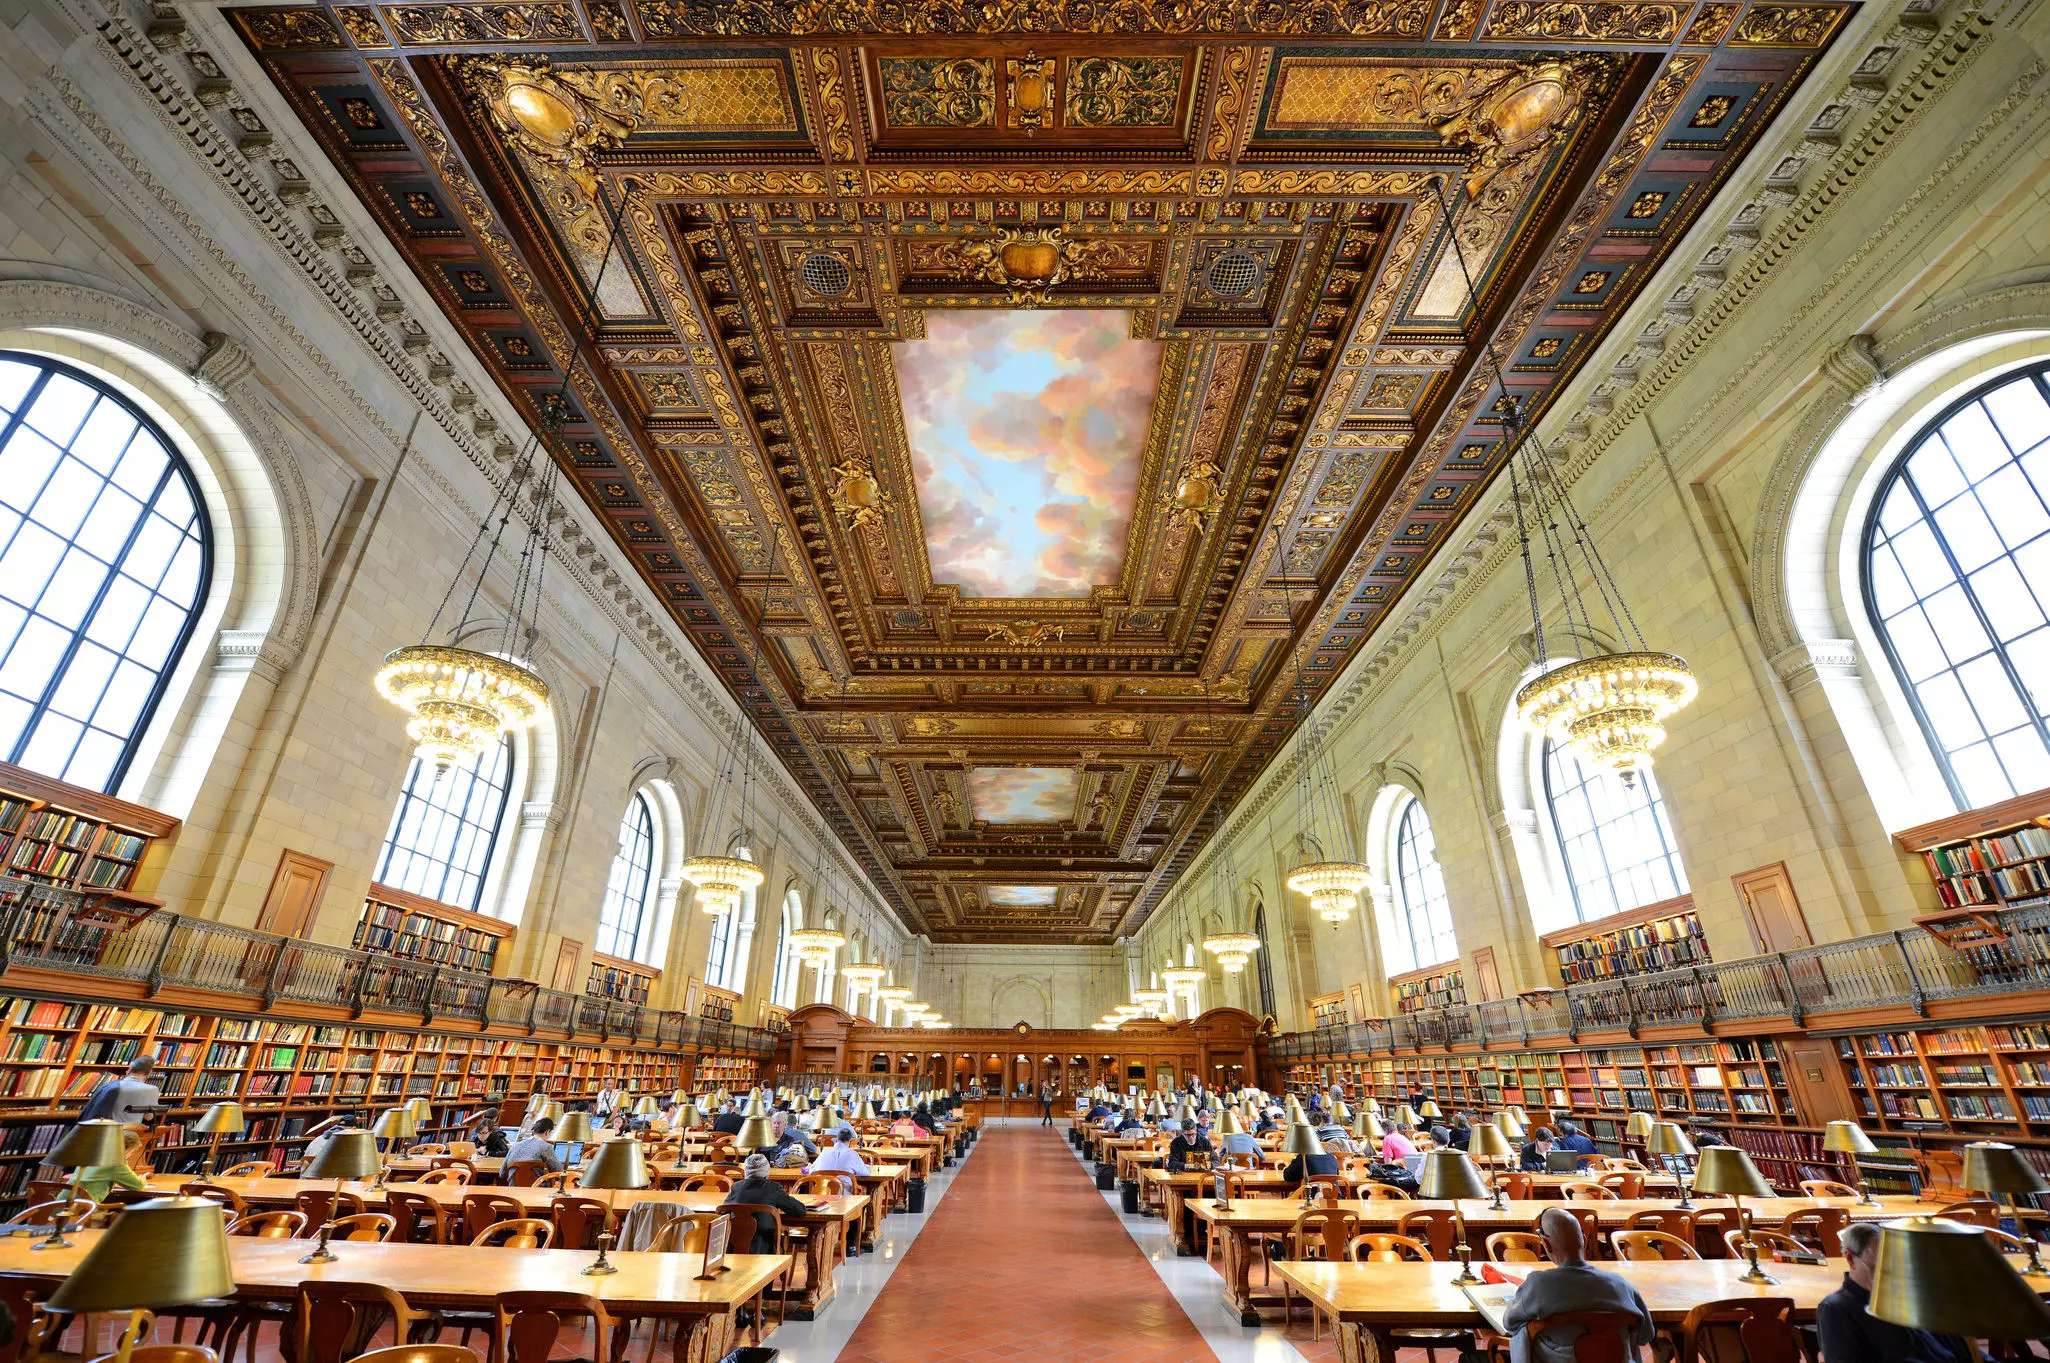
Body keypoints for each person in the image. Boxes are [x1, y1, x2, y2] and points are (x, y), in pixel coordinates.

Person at [1503, 1208, 1655, 1363]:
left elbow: (1510, 1323)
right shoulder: (1621, 1286)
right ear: (1584, 1239)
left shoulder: (1538, 1285)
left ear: (1546, 1244)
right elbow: (1646, 1334)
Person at [1817, 1221, 1973, 1363]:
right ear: (1851, 1258)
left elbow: (1960, 1346)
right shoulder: (1836, 1310)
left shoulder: (1909, 1295)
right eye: (1877, 1266)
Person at [722, 1152, 810, 1256]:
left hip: (733, 1247)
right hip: (765, 1249)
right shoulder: (773, 1188)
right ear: (767, 1171)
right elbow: (799, 1210)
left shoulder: (736, 1187)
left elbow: (723, 1211)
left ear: (746, 1171)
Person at [76, 1124, 150, 1201]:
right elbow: (137, 1185)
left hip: (65, 1203)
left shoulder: (94, 1154)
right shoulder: (116, 1162)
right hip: (82, 1209)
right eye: (132, 1152)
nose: (131, 1155)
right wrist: (143, 1177)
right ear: (126, 1150)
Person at [78, 1058, 161, 1124]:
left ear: (130, 1068)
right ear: (149, 1073)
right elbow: (149, 1117)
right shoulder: (152, 1089)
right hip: (129, 1136)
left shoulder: (109, 1086)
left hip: (103, 1133)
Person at [806, 1125, 871, 1190]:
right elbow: (865, 1172)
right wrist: (868, 1166)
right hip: (844, 1196)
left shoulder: (824, 1152)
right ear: (850, 1141)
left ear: (836, 1140)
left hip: (822, 1193)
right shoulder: (852, 1154)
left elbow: (812, 1171)